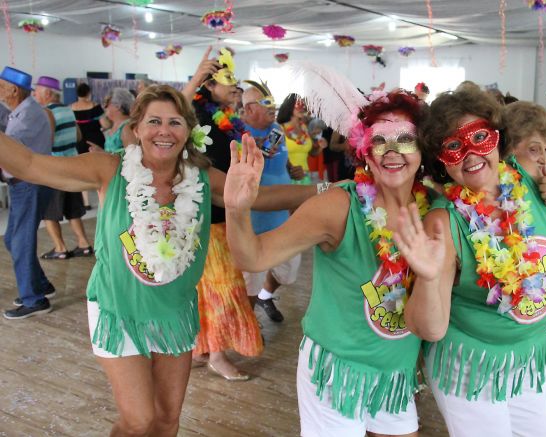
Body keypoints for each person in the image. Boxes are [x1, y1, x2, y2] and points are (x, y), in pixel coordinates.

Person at [0, 84, 317, 434]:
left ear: (188, 131)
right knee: (139, 421)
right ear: (136, 129)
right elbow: (29, 164)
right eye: (154, 121)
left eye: (175, 122)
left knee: (167, 419)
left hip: (174, 312)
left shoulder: (200, 177)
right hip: (118, 309)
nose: (164, 131)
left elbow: (259, 197)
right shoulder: (109, 168)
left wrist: (325, 190)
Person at [226, 90, 430, 437]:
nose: (393, 151)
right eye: (379, 140)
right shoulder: (337, 206)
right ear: (364, 150)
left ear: (423, 148)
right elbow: (253, 257)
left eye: (405, 139)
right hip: (335, 371)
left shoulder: (436, 210)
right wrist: (236, 208)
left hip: (396, 374)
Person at [393, 88, 546, 437]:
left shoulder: (526, 178)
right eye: (453, 146)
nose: (469, 154)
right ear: (441, 161)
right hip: (470, 367)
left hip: (529, 358)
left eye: (479, 136)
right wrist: (430, 277)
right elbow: (430, 329)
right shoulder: (443, 222)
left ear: (498, 139)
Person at [184, 46, 260, 380]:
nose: (235, 86)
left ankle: (201, 347)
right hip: (203, 214)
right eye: (226, 79)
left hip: (222, 211)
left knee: (208, 286)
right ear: (208, 87)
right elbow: (173, 113)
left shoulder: (226, 120)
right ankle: (216, 353)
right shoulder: (197, 115)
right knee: (220, 286)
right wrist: (195, 77)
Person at [240, 81, 304, 323]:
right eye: (265, 102)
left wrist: (292, 169)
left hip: (282, 216)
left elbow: (278, 159)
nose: (273, 107)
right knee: (250, 282)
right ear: (248, 110)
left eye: (272, 101)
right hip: (254, 219)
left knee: (288, 272)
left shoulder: (277, 128)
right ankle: (250, 324)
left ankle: (266, 297)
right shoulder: (239, 133)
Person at [0, 66, 55, 319]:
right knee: (13, 238)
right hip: (25, 184)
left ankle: (35, 299)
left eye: (1, 87)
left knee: (21, 241)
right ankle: (40, 284)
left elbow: (9, 151)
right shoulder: (21, 111)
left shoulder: (26, 116)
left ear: (14, 89)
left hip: (29, 184)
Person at [32, 75, 94, 260]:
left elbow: (46, 142)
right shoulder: (68, 110)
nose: (34, 94)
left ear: (48, 93)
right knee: (73, 208)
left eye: (37, 91)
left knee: (48, 211)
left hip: (55, 168)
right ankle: (83, 244)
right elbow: (77, 136)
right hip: (72, 165)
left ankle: (60, 248)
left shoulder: (47, 112)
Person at [72, 82, 106, 209]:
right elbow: (105, 124)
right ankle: (102, 199)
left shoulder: (72, 108)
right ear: (88, 93)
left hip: (80, 142)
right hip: (96, 141)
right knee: (99, 171)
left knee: (83, 171)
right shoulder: (95, 106)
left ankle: (86, 202)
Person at [278, 94, 315, 185]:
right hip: (287, 179)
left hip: (306, 178)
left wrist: (320, 147)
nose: (303, 107)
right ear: (289, 106)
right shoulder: (279, 128)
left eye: (304, 105)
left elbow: (311, 153)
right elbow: (267, 151)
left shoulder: (305, 128)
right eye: (299, 104)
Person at [102, 87, 137, 153]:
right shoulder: (117, 126)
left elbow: (132, 158)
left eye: (107, 104)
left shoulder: (127, 128)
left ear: (117, 106)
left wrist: (102, 153)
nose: (104, 107)